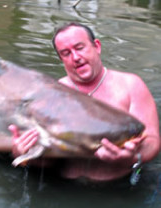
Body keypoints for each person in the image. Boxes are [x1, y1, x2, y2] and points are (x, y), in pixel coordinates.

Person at [9, 22, 160, 182]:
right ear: (61, 59)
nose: (75, 58)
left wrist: (129, 158)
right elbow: (48, 158)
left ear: (97, 46)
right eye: (66, 53)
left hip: (118, 188)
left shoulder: (131, 85)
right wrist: (22, 153)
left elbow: (152, 141)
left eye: (79, 48)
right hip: (63, 188)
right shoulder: (53, 93)